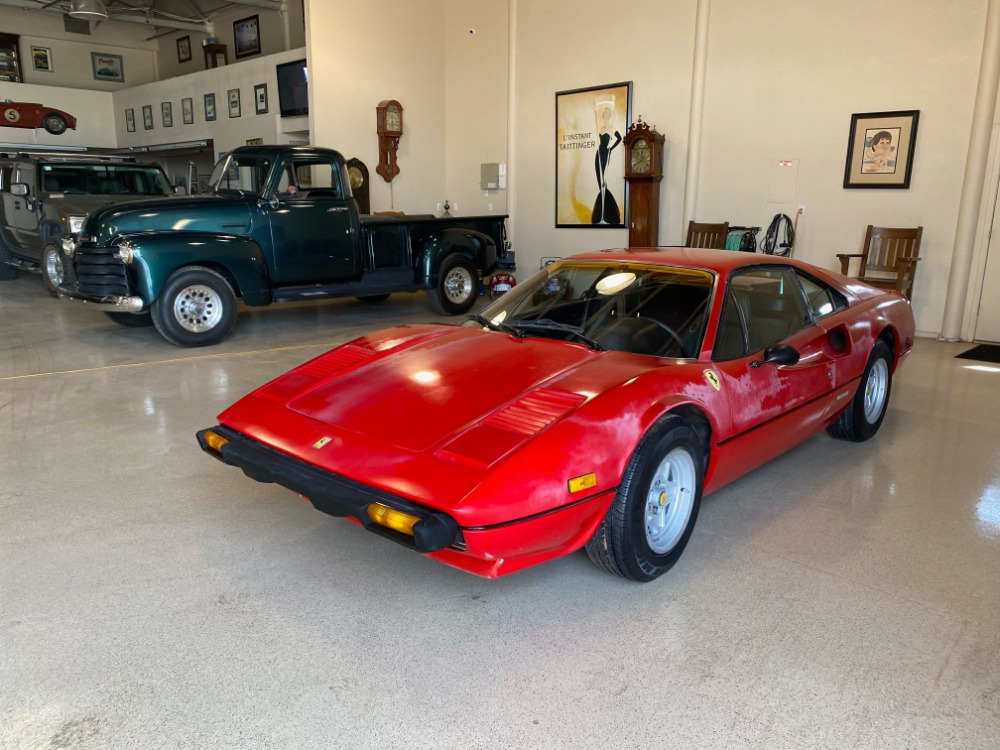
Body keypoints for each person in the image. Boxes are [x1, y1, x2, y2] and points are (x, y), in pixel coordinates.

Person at [591, 101, 622, 224]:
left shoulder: (610, 127)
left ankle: (607, 214)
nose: (604, 116)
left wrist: (611, 149)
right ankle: (602, 215)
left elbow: (619, 138)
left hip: (605, 154)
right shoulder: (602, 128)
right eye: (603, 114)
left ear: (609, 116)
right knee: (600, 181)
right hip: (598, 153)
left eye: (606, 114)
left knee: (603, 182)